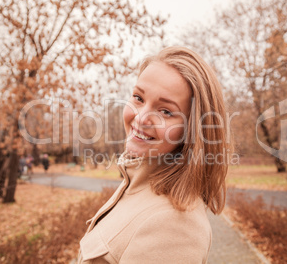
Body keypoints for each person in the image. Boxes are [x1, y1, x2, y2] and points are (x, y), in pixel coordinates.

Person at [78, 46, 231, 263]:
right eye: (138, 98)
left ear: (192, 131)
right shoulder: (136, 184)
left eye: (165, 111)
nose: (140, 118)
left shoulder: (176, 225)